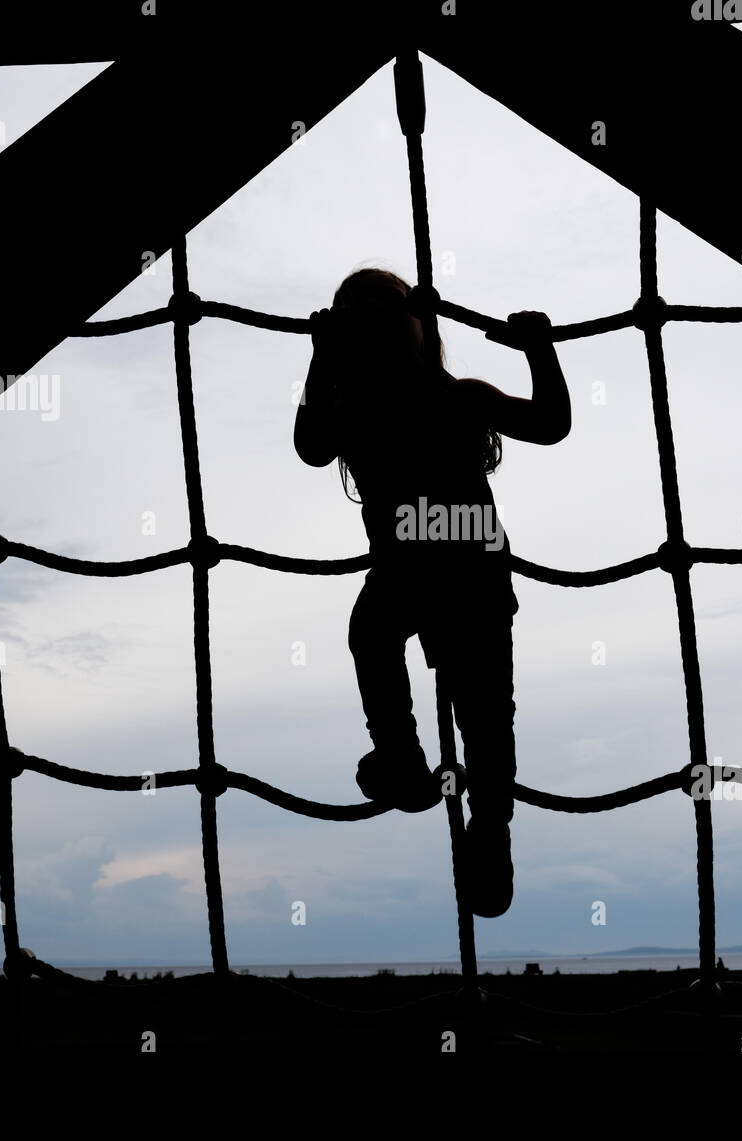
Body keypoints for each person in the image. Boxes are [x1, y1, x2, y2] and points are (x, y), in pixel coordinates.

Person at [294, 267, 570, 916]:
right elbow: (310, 444)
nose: (377, 324)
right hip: (436, 571)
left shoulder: (455, 398)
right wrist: (320, 356)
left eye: (388, 310)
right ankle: (404, 760)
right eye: (356, 315)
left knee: (484, 717)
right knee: (377, 636)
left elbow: (550, 422)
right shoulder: (356, 410)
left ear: (421, 326)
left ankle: (489, 825)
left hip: (469, 575)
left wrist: (539, 349)